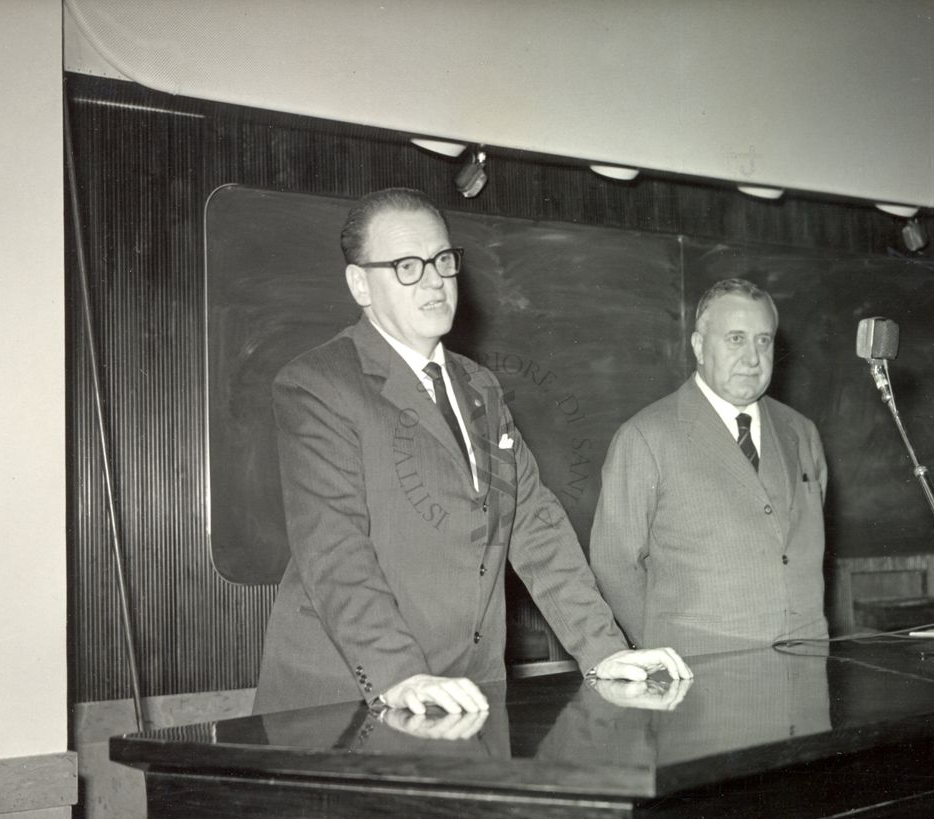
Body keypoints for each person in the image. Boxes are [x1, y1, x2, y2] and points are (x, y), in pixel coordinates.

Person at [253, 187, 690, 715]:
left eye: (442, 260)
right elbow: (335, 549)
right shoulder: (318, 384)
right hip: (348, 703)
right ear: (359, 284)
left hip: (471, 694)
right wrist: (402, 678)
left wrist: (604, 651)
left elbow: (535, 525)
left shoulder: (479, 386)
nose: (435, 279)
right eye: (407, 266)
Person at [590, 278, 828, 655]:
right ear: (699, 346)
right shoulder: (646, 436)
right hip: (701, 678)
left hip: (807, 672)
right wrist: (662, 650)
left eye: (763, 340)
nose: (752, 358)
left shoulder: (802, 432)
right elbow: (614, 564)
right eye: (736, 338)